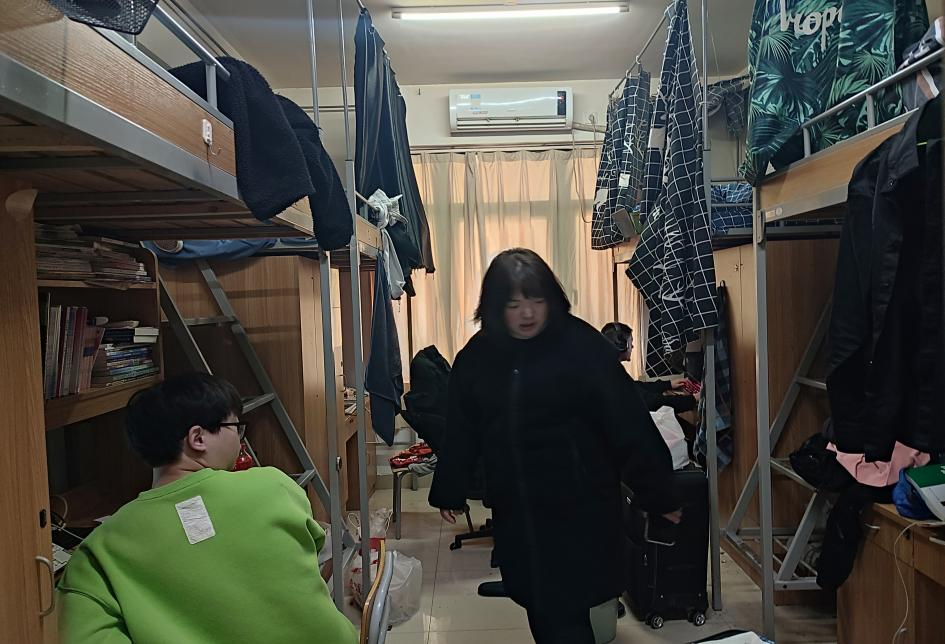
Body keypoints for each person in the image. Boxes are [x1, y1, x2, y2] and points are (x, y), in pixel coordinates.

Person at [429, 248, 680, 644]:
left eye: (536, 300)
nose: (527, 313)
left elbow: (628, 423)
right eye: (514, 304)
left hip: (580, 508)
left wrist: (659, 493)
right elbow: (462, 429)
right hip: (519, 511)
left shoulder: (582, 347)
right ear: (495, 307)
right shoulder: (478, 357)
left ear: (551, 298)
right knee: (542, 608)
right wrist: (451, 487)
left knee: (565, 613)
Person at [58, 373, 357, 644]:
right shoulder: (274, 486)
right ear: (198, 438)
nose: (240, 439)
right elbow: (313, 551)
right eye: (236, 428)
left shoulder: (99, 550)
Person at [600, 321, 698, 414]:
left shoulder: (608, 369)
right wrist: (693, 399)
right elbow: (652, 402)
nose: (632, 346)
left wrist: (669, 384)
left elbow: (636, 387)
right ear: (622, 345)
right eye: (631, 342)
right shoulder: (613, 374)